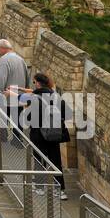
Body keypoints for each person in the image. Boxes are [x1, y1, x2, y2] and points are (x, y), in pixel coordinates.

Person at [16, 72, 70, 200]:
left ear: (37, 83)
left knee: (39, 160)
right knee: (56, 161)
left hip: (38, 133)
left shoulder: (33, 98)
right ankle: (60, 190)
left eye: (34, 83)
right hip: (54, 133)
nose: (33, 85)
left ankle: (40, 187)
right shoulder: (56, 96)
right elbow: (67, 114)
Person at [0, 39, 30, 134]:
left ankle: (1, 138)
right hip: (19, 97)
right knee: (17, 122)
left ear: (2, 48)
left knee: (2, 119)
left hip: (6, 97)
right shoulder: (21, 59)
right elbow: (27, 77)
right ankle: (18, 141)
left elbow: (1, 78)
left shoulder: (4, 60)